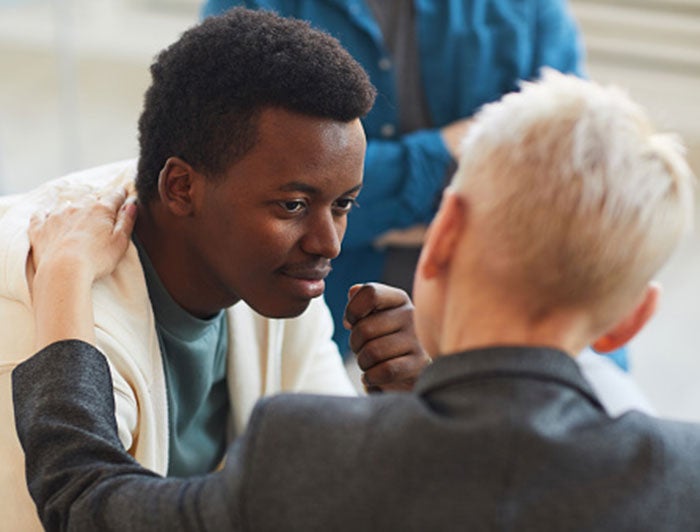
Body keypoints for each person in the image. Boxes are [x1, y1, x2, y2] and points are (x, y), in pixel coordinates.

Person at [13, 71, 700, 530]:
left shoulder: (309, 450)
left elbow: (87, 504)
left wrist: (67, 276)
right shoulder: (683, 476)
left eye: (345, 207)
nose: (330, 243)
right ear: (632, 319)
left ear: (446, 232)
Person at [0, 9, 432, 530]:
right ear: (180, 188)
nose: (330, 243)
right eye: (293, 205)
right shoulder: (37, 331)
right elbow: (78, 504)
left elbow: (337, 498)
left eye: (343, 205)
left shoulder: (272, 279)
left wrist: (407, 412)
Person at [201, 0, 602, 354]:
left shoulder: (530, 9)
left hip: (506, 337)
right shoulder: (255, 4)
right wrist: (445, 156)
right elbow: (239, 184)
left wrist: (365, 204)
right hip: (323, 338)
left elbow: (569, 184)